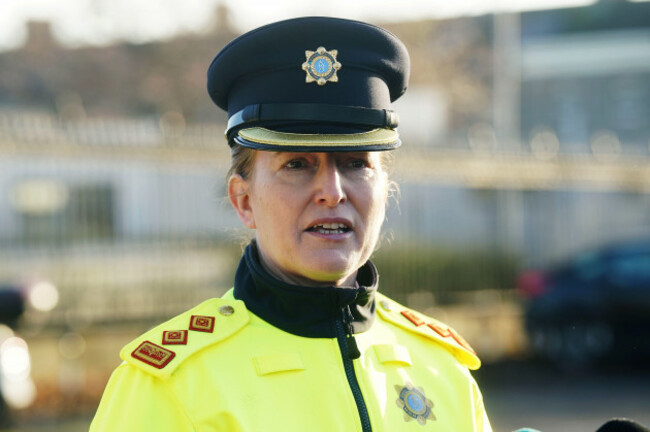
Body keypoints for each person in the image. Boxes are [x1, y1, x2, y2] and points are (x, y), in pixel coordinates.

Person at [90, 16, 491, 431]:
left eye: (356, 164)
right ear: (243, 200)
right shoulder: (171, 384)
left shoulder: (443, 368)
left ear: (386, 192)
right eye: (297, 164)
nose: (332, 192)